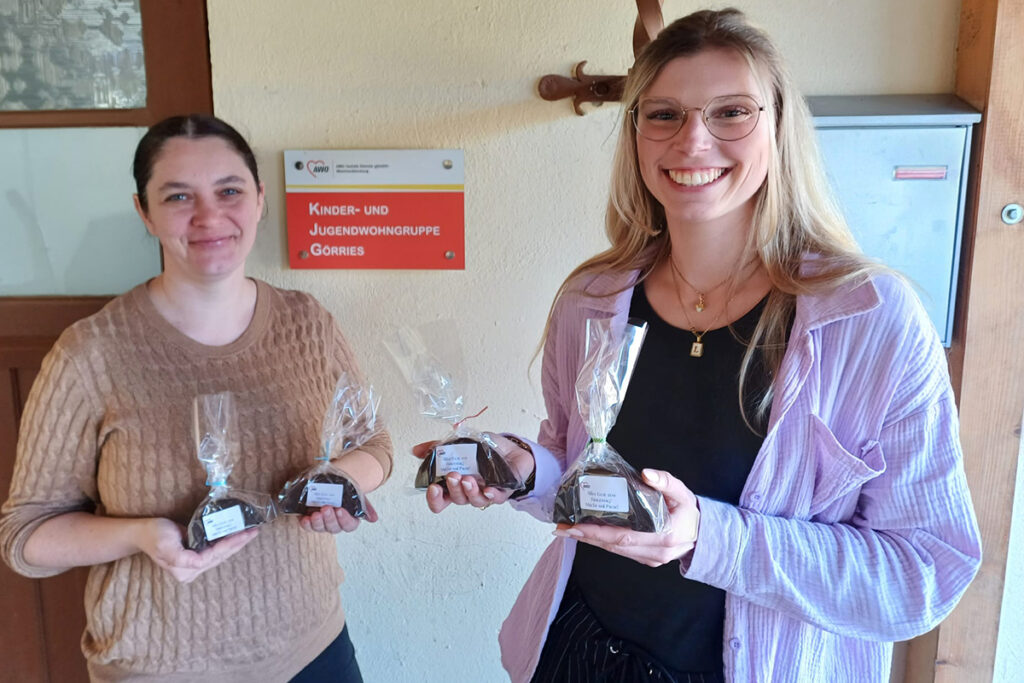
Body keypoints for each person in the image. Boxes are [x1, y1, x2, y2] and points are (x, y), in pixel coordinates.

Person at [416, 9, 981, 682]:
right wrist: (523, 469)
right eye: (664, 115)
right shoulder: (590, 298)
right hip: (578, 651)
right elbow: (581, 476)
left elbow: (923, 573)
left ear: (778, 127)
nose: (692, 140)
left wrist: (709, 538)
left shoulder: (871, 320)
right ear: (635, 135)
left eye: (731, 112)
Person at [0, 115, 392, 683]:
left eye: (229, 191)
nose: (209, 216)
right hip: (161, 669)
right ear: (144, 212)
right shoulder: (91, 353)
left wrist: (340, 483)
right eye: (178, 196)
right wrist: (141, 536)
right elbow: (25, 537)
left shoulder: (308, 323)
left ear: (259, 200)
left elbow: (374, 444)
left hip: (314, 650)